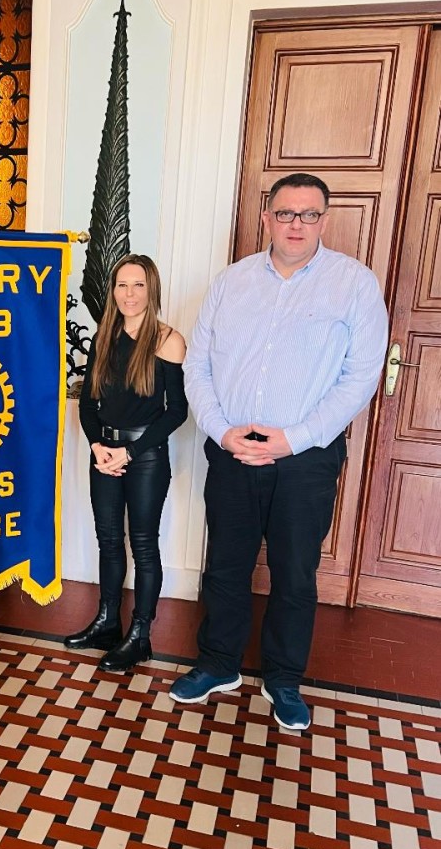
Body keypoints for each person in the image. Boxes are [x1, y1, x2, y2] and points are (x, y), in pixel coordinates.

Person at [173, 172, 388, 730]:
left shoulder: (354, 284)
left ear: (324, 220)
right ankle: (218, 664)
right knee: (225, 565)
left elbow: (361, 376)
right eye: (286, 213)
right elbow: (198, 365)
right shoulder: (231, 281)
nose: (297, 224)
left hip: (306, 457)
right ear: (267, 216)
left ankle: (284, 679)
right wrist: (221, 431)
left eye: (309, 214)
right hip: (233, 448)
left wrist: (294, 439)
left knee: (294, 572)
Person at [66, 254, 188, 672]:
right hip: (105, 454)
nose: (129, 294)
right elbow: (89, 403)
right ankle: (107, 623)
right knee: (108, 540)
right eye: (122, 285)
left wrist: (130, 452)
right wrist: (98, 446)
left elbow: (176, 412)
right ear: (113, 290)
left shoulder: (168, 340)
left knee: (143, 544)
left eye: (138, 285)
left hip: (145, 458)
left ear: (151, 290)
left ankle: (140, 635)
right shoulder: (104, 337)